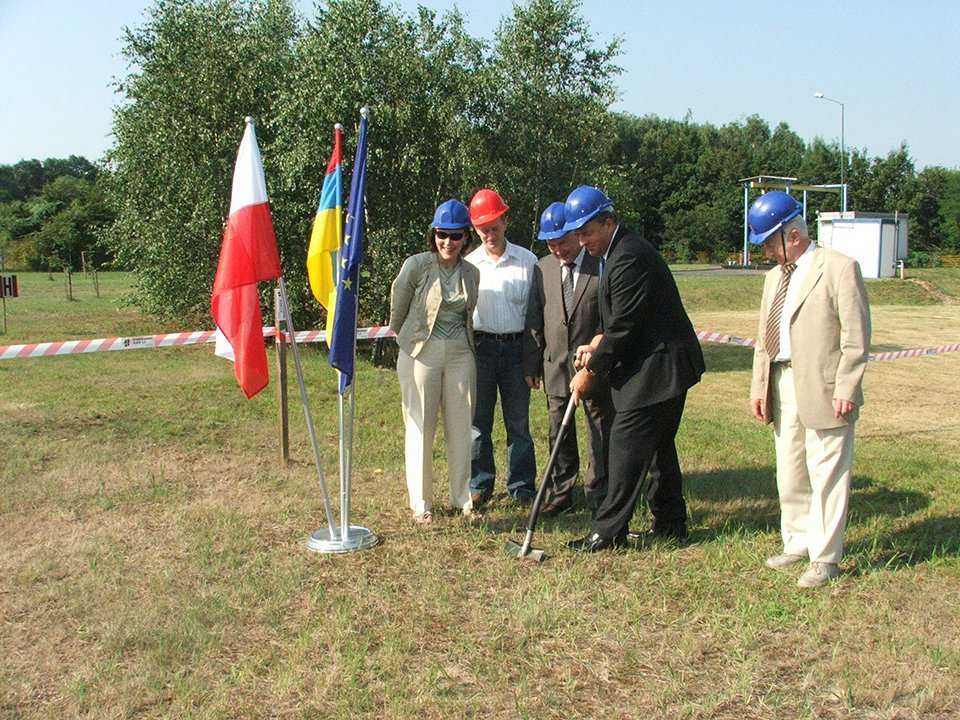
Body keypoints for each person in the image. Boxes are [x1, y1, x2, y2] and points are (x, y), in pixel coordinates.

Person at [566, 186, 705, 552]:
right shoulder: (616, 252)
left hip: (660, 368)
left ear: (609, 221)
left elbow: (625, 327)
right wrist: (597, 341)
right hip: (658, 364)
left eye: (587, 232)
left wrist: (590, 370)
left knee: (625, 446)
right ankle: (671, 525)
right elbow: (622, 319)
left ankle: (608, 533)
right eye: (578, 234)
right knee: (660, 448)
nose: (582, 241)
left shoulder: (628, 256)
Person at [747, 191, 871, 588]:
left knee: (828, 471)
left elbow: (857, 336)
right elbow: (763, 339)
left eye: (768, 242)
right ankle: (797, 541)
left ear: (793, 235)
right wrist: (759, 386)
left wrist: (847, 386)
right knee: (791, 469)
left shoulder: (839, 268)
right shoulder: (773, 278)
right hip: (783, 383)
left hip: (825, 385)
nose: (766, 251)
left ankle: (826, 557)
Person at [389, 199, 479, 524]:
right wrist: (407, 345)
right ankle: (422, 504)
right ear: (433, 234)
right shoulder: (416, 266)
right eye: (442, 234)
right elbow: (397, 310)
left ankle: (462, 499)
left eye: (456, 236)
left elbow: (469, 314)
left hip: (460, 352)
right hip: (420, 352)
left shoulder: (472, 273)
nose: (448, 242)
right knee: (420, 426)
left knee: (460, 428)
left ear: (466, 238)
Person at [523, 201, 613, 516]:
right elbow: (535, 319)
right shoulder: (542, 268)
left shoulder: (600, 265)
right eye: (551, 243)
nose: (557, 248)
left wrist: (598, 356)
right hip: (554, 366)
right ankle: (561, 492)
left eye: (562, 241)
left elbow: (608, 319)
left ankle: (599, 494)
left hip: (593, 368)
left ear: (576, 235)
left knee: (599, 431)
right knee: (557, 432)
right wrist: (532, 364)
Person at [465, 188, 538, 507]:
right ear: (474, 229)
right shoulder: (468, 265)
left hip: (515, 351)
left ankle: (522, 486)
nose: (489, 234)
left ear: (505, 221)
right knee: (477, 423)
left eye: (494, 227)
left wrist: (532, 361)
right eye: (483, 229)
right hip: (479, 350)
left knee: (518, 423)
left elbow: (536, 316)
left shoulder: (527, 261)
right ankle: (480, 483)